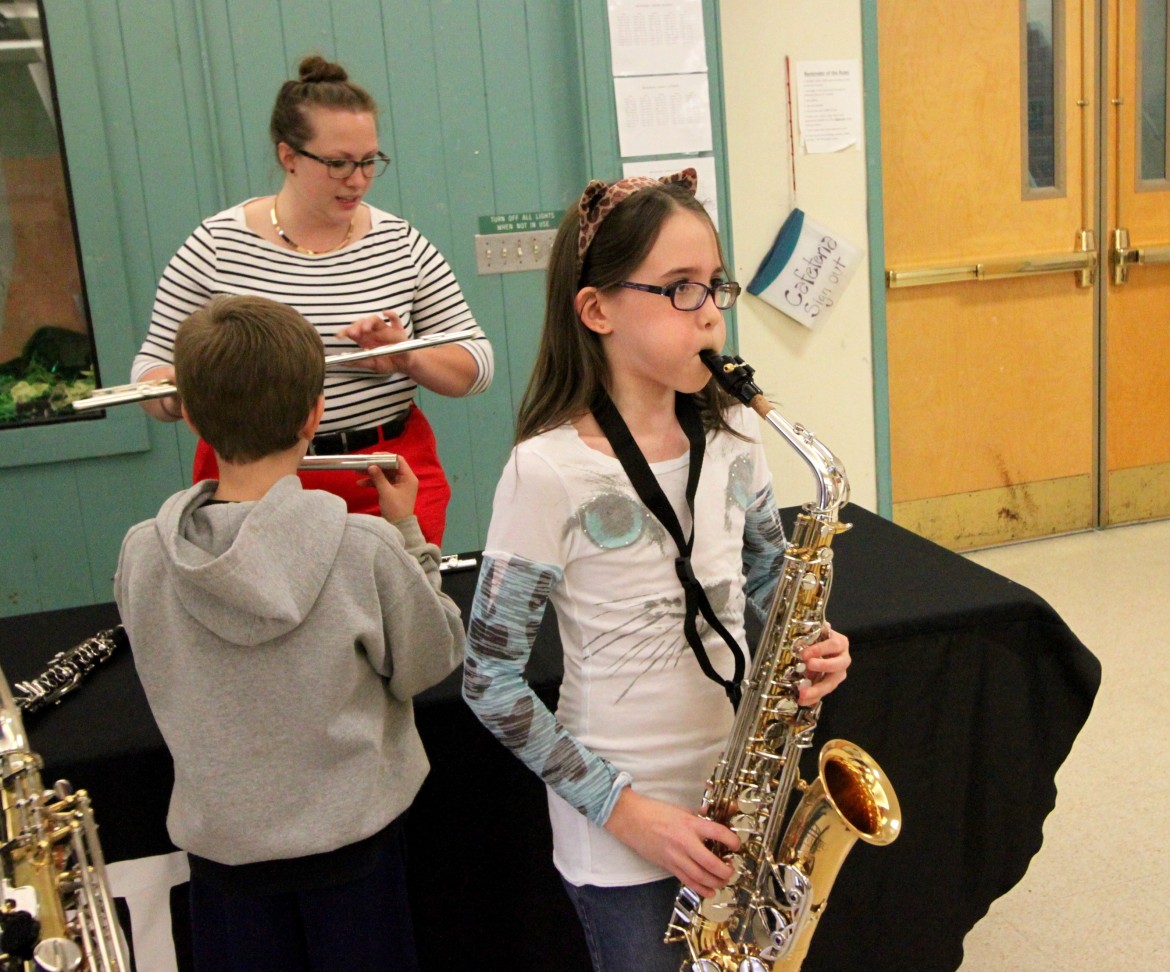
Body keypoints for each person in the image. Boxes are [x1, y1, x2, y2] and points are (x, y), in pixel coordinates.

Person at [461, 170, 852, 970]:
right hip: (624, 837)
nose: (710, 312)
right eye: (678, 289)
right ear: (597, 310)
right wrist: (629, 813)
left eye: (715, 285)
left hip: (738, 803)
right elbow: (489, 680)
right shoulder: (547, 472)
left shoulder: (739, 436)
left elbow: (770, 587)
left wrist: (814, 644)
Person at [114, 294, 465, 972]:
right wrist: (411, 538)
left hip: (224, 858)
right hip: (354, 855)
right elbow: (430, 659)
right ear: (315, 414)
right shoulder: (363, 546)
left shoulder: (143, 552)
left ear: (188, 412)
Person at [131, 54, 492, 547]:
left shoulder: (401, 243)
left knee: (403, 615)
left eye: (369, 161)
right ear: (289, 156)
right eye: (338, 163)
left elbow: (477, 363)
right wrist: (183, 388)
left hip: (383, 477)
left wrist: (409, 356)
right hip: (252, 485)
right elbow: (152, 368)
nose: (358, 180)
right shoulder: (216, 246)